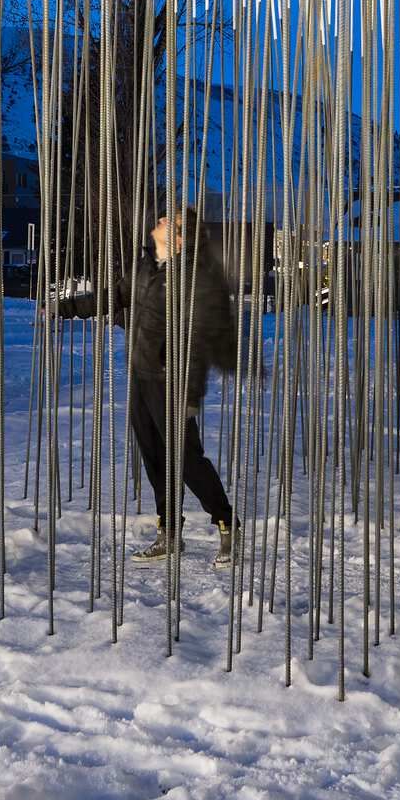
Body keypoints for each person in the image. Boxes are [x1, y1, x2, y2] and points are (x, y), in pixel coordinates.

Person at [126, 208, 239, 568]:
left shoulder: (189, 279)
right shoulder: (145, 267)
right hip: (141, 377)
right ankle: (169, 533)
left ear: (178, 239)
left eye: (166, 221)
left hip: (169, 381)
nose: (157, 221)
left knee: (187, 459)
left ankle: (226, 524)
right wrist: (63, 307)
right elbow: (115, 295)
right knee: (155, 458)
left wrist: (190, 395)